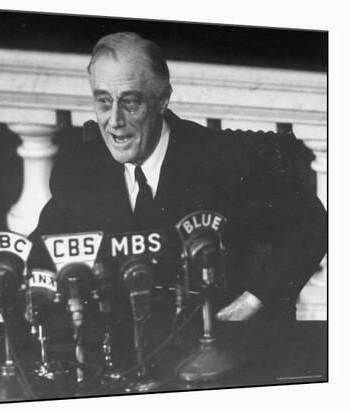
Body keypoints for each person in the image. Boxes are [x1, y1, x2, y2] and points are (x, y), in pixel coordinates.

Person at [27, 32, 327, 321]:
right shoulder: (79, 169)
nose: (115, 121)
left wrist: (254, 300)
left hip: (209, 343)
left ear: (162, 100)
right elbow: (43, 252)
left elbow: (312, 221)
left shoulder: (221, 159)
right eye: (104, 102)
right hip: (119, 352)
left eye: (130, 102)